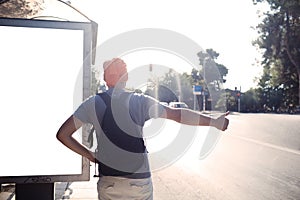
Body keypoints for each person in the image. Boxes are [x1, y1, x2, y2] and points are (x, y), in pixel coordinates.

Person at [56, 58, 229, 200]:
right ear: (126, 77)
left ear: (105, 79)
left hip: (109, 182)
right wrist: (214, 122)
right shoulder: (139, 101)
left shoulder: (92, 104)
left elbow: (63, 135)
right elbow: (177, 114)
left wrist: (91, 156)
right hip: (138, 183)